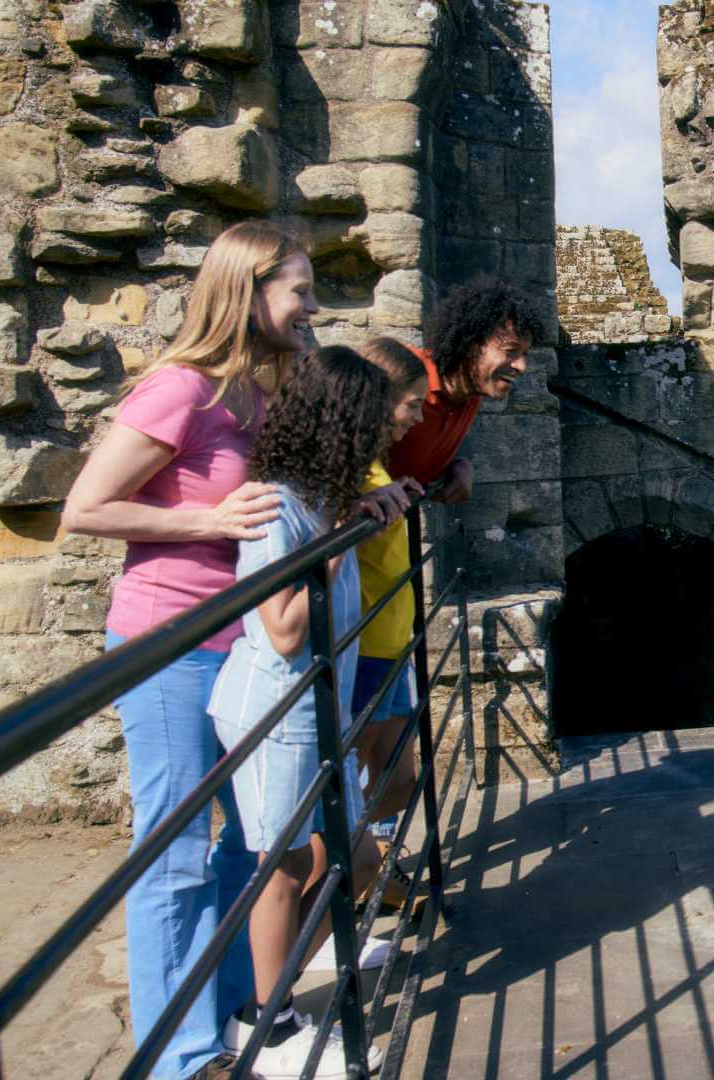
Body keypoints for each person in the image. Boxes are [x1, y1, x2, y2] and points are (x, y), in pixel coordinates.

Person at [63, 221, 314, 1080]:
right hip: (170, 643)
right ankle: (178, 1054)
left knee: (255, 838)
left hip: (243, 645)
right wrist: (203, 520)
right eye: (300, 292)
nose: (313, 308)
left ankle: (232, 1003)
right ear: (248, 292)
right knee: (173, 850)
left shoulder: (266, 392)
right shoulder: (180, 388)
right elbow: (86, 508)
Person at [207, 347, 392, 1079]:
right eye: (371, 425)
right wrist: (337, 538)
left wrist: (354, 525)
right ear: (340, 424)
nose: (380, 441)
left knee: (359, 855)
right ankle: (266, 1025)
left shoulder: (312, 501)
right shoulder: (275, 505)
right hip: (276, 711)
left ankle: (270, 998)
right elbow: (283, 629)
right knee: (282, 870)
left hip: (315, 709)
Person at [348, 338, 430, 909]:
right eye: (413, 405)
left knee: (399, 781)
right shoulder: (351, 468)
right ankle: (354, 876)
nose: (420, 419)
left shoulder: (374, 467)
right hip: (361, 649)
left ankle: (365, 862)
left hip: (391, 641)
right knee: (353, 779)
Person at [386, 277, 553, 501]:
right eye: (511, 351)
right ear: (470, 345)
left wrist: (461, 466)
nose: (522, 366)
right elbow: (340, 440)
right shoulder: (403, 373)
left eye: (525, 354)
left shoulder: (469, 396)